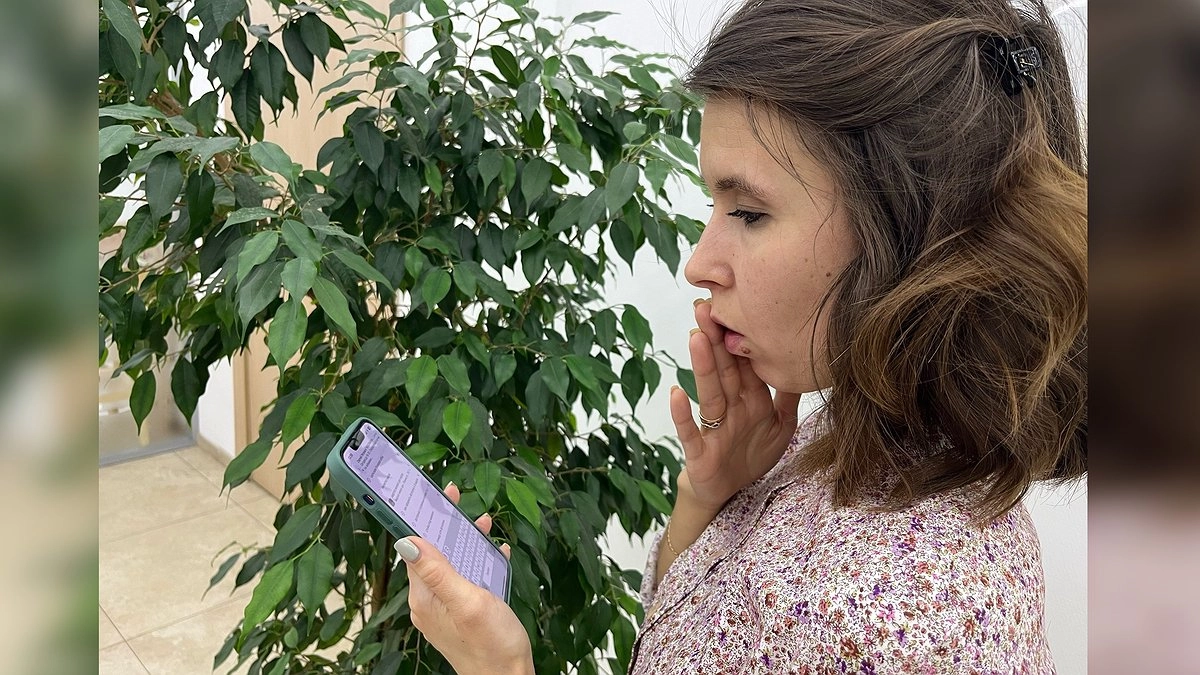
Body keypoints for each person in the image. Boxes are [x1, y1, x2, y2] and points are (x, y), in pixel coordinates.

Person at [391, 0, 1088, 671]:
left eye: (748, 212)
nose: (698, 263)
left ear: (910, 229)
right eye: (713, 205)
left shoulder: (888, 625)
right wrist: (709, 495)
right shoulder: (849, 441)